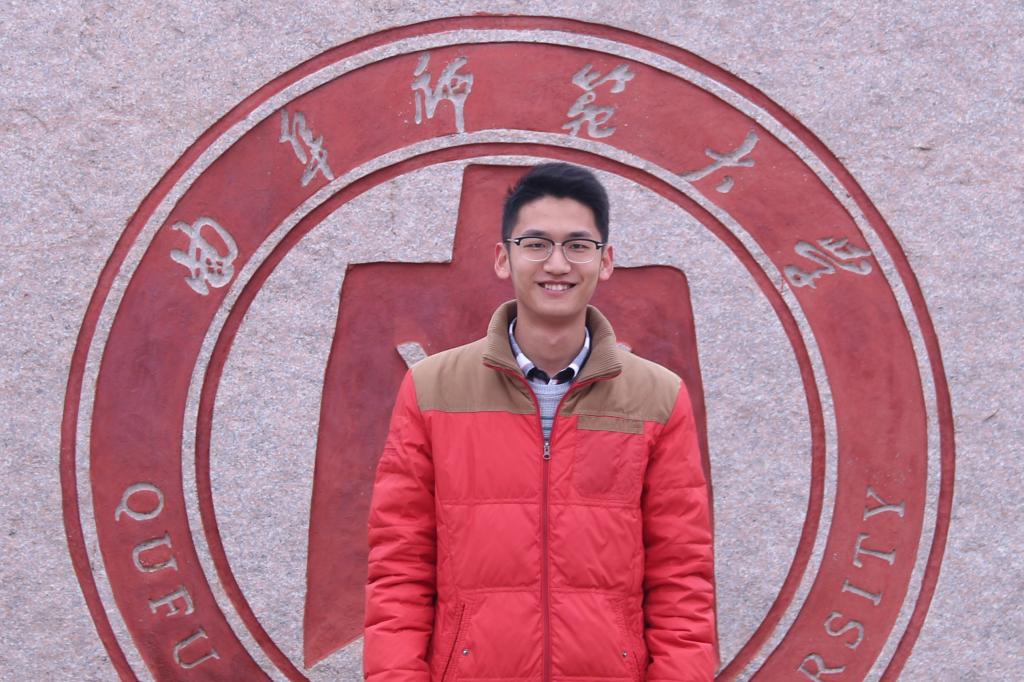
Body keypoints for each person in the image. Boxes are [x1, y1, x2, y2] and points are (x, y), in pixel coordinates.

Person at [363, 163, 716, 681]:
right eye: (536, 244)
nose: (556, 263)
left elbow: (682, 579)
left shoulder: (657, 397)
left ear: (606, 260)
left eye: (578, 245)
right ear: (503, 258)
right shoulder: (432, 389)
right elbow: (399, 569)